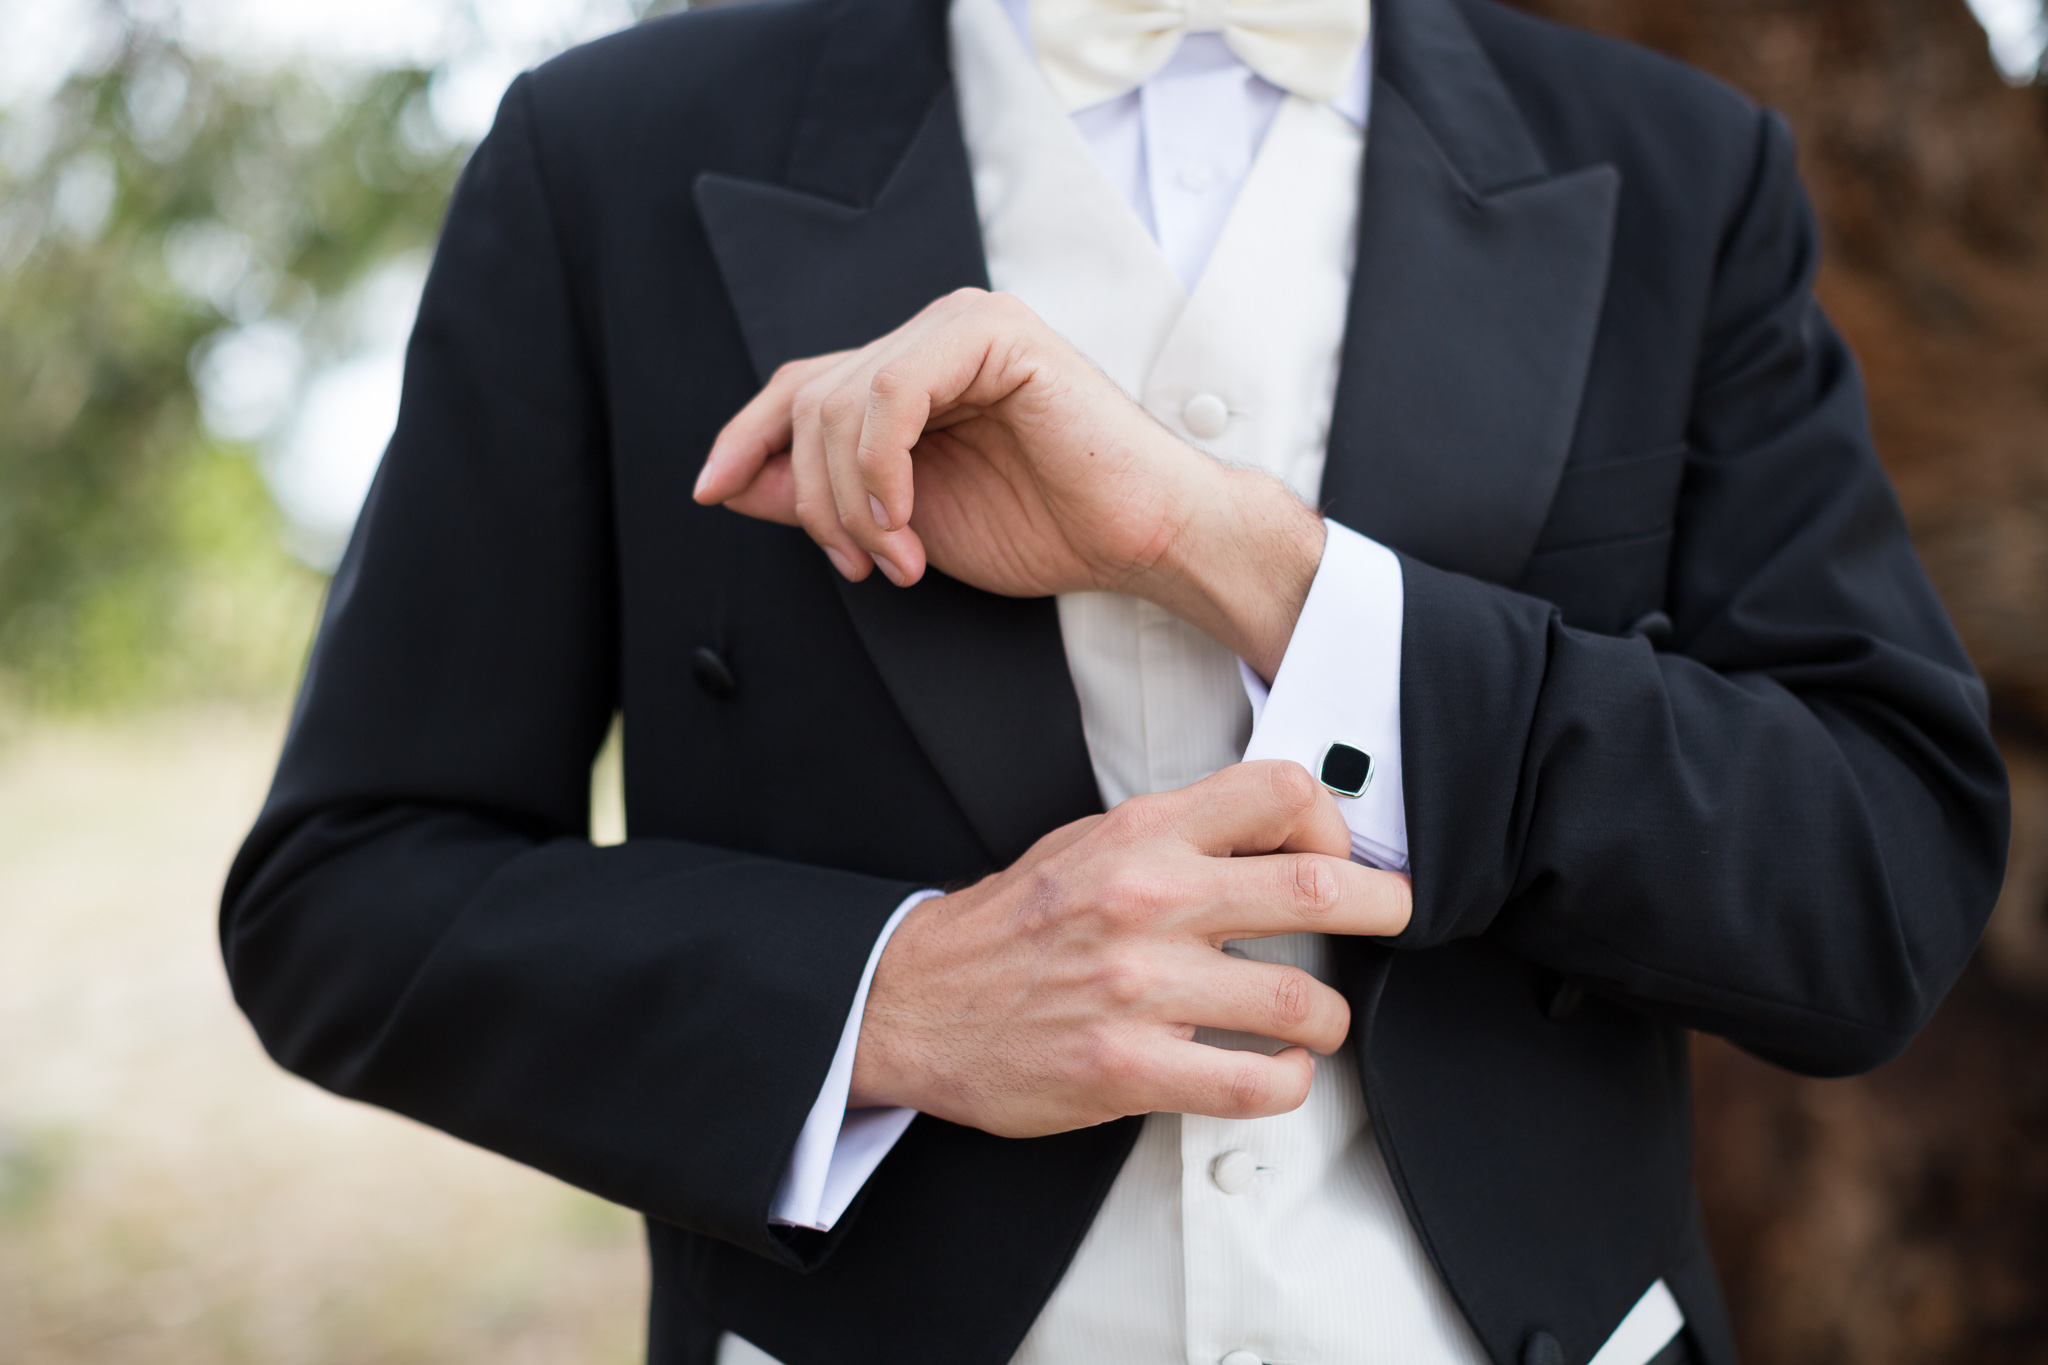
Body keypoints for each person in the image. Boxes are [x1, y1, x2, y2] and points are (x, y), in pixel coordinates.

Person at [220, 0, 2010, 1360]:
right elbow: (345, 892)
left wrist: (1232, 554)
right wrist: (882, 1004)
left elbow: (1874, 883)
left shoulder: (1685, 172)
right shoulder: (603, 155)